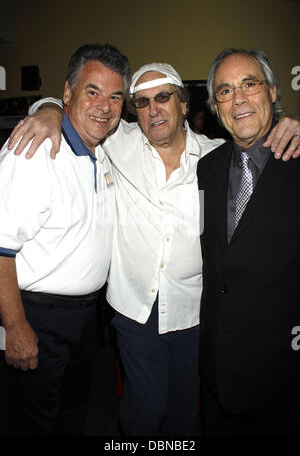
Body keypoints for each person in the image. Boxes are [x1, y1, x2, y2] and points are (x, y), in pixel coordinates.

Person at [7, 60, 300, 436]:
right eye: (141, 103)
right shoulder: (118, 141)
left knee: (185, 412)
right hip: (133, 310)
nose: (153, 109)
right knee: (145, 411)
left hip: (193, 310)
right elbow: (80, 107)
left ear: (183, 103)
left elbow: (259, 151)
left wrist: (288, 123)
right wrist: (46, 110)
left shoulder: (214, 160)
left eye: (163, 97)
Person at [0, 43, 130, 435]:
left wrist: (49, 107)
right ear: (69, 93)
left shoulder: (106, 148)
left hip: (86, 319)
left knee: (74, 411)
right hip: (35, 315)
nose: (104, 107)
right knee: (32, 421)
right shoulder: (34, 152)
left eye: (115, 96)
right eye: (92, 92)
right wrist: (15, 328)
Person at [197, 47, 300, 436]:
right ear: (215, 106)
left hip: (284, 378)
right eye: (224, 91)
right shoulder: (207, 167)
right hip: (217, 370)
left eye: (249, 84)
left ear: (273, 91)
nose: (237, 99)